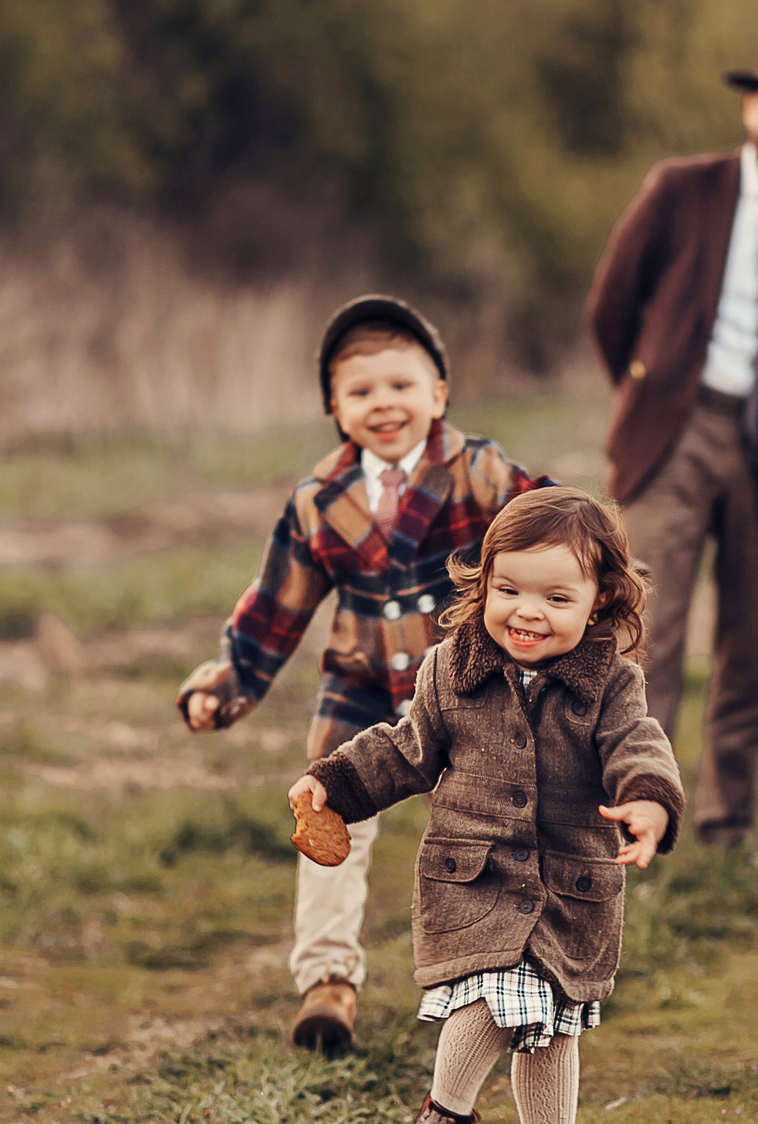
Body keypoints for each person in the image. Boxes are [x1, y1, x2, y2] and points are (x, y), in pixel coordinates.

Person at [289, 488, 683, 1124]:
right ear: (483, 584)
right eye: (508, 590)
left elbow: (637, 745)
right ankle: (443, 1118)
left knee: (553, 1024)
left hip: (570, 884)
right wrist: (332, 783)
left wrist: (648, 799)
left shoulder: (612, 685)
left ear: (598, 604)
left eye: (556, 597)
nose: (527, 612)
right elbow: (404, 753)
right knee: (497, 997)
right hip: (474, 876)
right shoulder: (450, 669)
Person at [177, 295, 548, 1054]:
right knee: (327, 814)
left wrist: (595, 577)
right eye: (361, 392)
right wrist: (230, 682)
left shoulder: (476, 472)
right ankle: (328, 982)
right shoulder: (319, 503)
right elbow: (277, 607)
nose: (385, 404)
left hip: (466, 689)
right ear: (336, 410)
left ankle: (508, 975)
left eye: (402, 386)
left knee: (494, 829)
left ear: (438, 394)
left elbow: (546, 530)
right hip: (359, 685)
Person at [584, 31, 758, 853]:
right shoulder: (680, 191)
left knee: (753, 642)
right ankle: (636, 818)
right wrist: (647, 392)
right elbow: (611, 306)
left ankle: (727, 822)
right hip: (674, 433)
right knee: (645, 634)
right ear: (752, 107)